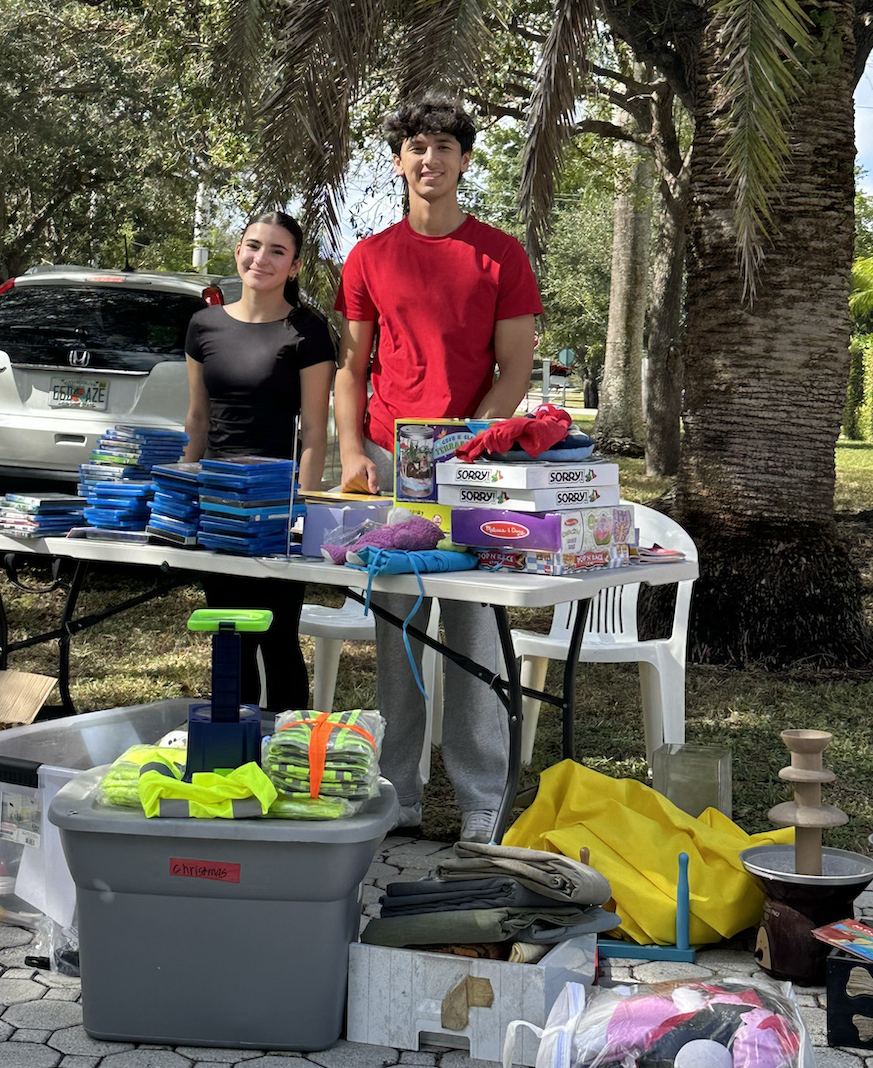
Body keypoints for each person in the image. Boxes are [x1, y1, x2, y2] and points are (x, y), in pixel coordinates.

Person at [334, 94, 542, 843]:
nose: (431, 159)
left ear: (463, 161)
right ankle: (401, 797)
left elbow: (514, 367)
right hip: (393, 465)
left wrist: (468, 442)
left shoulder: (500, 256)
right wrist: (354, 450)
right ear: (399, 161)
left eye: (446, 147)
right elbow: (353, 366)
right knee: (400, 635)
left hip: (471, 465)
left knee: (475, 632)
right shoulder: (368, 257)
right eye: (417, 146)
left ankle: (482, 805)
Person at [184, 211, 336, 713]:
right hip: (218, 505)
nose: (261, 259)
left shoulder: (308, 330)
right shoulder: (203, 324)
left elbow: (315, 430)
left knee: (276, 634)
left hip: (277, 508)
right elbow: (198, 422)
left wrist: (303, 508)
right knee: (229, 635)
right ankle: (231, 754)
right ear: (237, 251)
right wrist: (183, 493)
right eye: (253, 246)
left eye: (277, 251)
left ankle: (289, 751)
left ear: (294, 266)